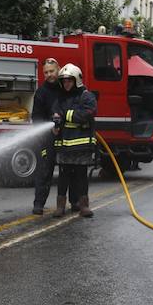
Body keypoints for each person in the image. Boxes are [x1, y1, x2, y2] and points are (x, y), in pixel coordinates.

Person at [52, 63, 96, 218]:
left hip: (81, 145)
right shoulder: (61, 98)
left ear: (76, 80)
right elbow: (56, 114)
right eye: (64, 81)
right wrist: (56, 121)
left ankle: (84, 206)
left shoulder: (87, 96)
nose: (66, 84)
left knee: (81, 176)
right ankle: (60, 207)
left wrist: (66, 116)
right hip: (64, 145)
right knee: (63, 177)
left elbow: (87, 114)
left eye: (69, 80)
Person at [30, 58, 62, 215]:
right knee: (44, 171)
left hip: (67, 137)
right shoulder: (41, 93)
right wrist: (50, 130)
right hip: (47, 138)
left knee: (69, 171)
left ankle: (74, 203)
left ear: (58, 69)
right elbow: (36, 118)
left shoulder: (66, 87)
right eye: (46, 72)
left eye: (52, 71)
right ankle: (38, 204)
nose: (49, 74)